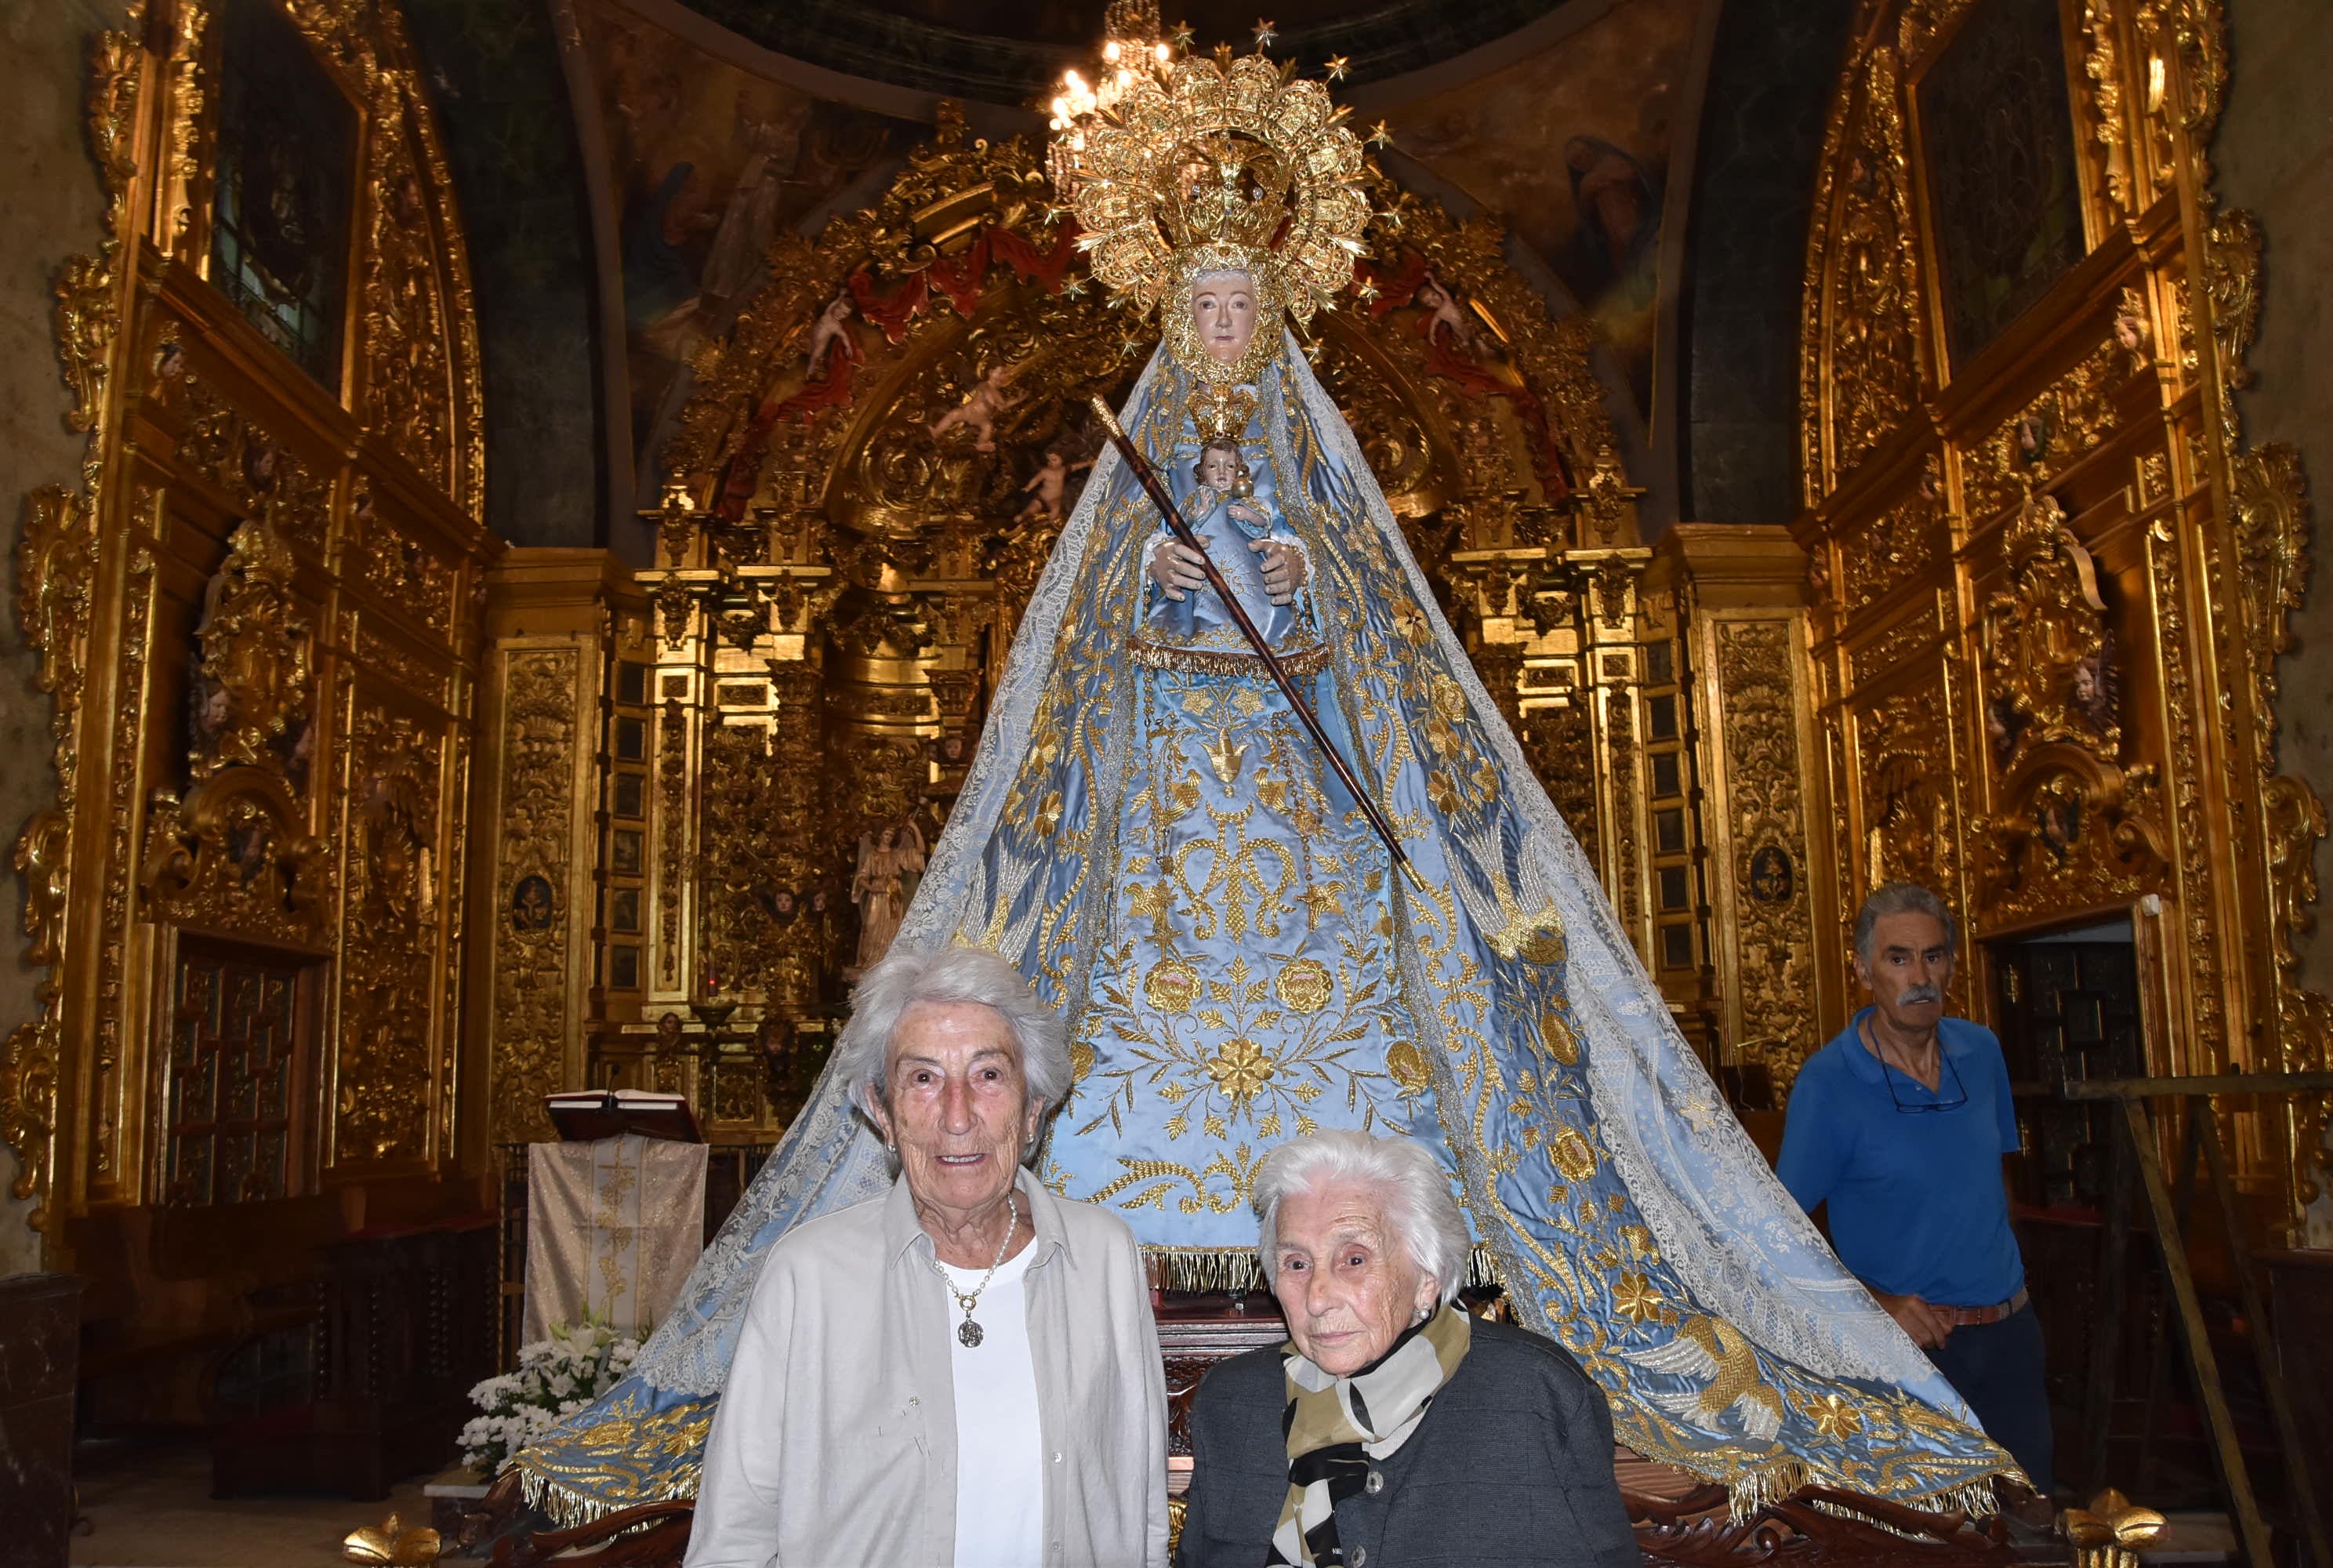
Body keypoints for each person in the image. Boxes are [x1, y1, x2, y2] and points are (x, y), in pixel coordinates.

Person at [514, 43, 2012, 1526]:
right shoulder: (1125, 502)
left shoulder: (1329, 505)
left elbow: (1400, 682)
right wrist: (1141, 598)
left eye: (1243, 306)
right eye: (1203, 308)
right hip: (1161, 846)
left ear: (1271, 316)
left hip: (1306, 843)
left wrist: (1312, 595)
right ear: (1176, 320)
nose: (1225, 328)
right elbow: (1062, 712)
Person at [682, 946, 1169, 1567]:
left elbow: (1143, 1506)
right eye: (923, 1078)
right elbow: (736, 1534)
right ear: (882, 1114)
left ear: (1032, 1110)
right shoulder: (809, 1276)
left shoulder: (1104, 1256)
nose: (957, 1116)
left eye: (988, 1075)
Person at [1179, 1131, 1640, 1568]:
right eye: (1297, 1264)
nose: (1316, 1297)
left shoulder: (1535, 1395)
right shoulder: (1234, 1403)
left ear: (1427, 1277)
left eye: (1354, 1259)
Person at [1776, 883, 2054, 1490]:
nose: (1920, 976)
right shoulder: (1828, 1084)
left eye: (1934, 956)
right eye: (1898, 958)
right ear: (1863, 970)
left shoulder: (1982, 1054)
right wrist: (1875, 1303)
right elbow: (1780, 1234)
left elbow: (1992, 1182)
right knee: (1933, 1536)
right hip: (1911, 1354)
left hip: (2010, 1337)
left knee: (2032, 1523)